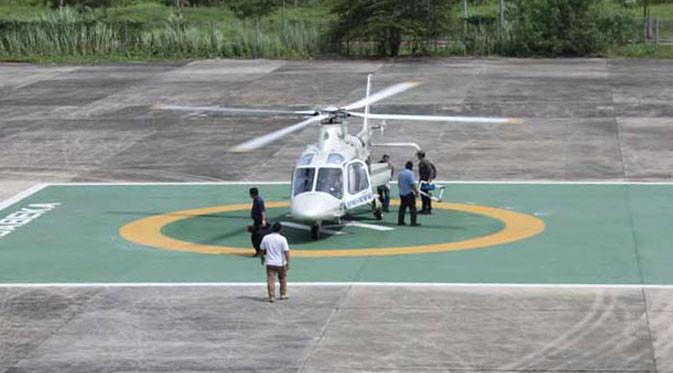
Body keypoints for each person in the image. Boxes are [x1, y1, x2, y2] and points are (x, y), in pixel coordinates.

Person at [260, 222, 290, 303]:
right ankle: (282, 294)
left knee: (271, 279)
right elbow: (286, 252)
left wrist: (262, 257)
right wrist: (288, 262)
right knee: (283, 278)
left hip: (270, 262)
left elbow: (262, 250)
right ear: (280, 229)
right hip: (280, 263)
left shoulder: (266, 238)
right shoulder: (282, 239)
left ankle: (271, 296)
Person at [397, 161, 420, 226]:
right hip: (409, 193)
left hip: (402, 193)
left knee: (402, 208)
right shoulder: (410, 174)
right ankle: (413, 222)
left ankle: (400, 221)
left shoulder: (400, 173)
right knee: (412, 208)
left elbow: (399, 183)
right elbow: (412, 184)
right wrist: (416, 192)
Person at [417, 150, 437, 215]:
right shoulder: (423, 162)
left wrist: (429, 179)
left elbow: (431, 171)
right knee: (424, 194)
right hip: (423, 180)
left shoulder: (424, 163)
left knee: (425, 195)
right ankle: (425, 208)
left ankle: (427, 208)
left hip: (425, 181)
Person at [249, 187, 267, 257]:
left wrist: (263, 220)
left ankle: (260, 251)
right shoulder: (256, 200)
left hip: (259, 222)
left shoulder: (259, 201)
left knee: (256, 237)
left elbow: (263, 211)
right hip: (257, 221)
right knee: (256, 236)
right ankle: (259, 251)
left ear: (252, 194)